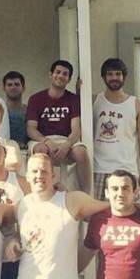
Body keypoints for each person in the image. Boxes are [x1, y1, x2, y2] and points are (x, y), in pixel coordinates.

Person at [26, 59, 91, 193]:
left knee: (81, 152)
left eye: (65, 74)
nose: (60, 76)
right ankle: (41, 192)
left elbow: (76, 129)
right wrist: (47, 141)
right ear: (51, 74)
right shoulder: (36, 99)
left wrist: (67, 145)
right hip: (42, 139)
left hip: (65, 139)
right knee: (40, 150)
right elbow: (31, 129)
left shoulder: (73, 100)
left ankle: (86, 194)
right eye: (58, 72)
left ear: (69, 79)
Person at [93, 57, 140, 198]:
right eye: (110, 74)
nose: (114, 78)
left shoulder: (136, 104)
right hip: (99, 169)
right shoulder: (94, 101)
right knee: (99, 216)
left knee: (129, 217)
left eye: (118, 74)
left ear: (124, 76)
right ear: (103, 77)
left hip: (127, 170)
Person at [2, 71, 28, 150]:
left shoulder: (30, 111)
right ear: (4, 89)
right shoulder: (0, 111)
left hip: (27, 151)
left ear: (23, 88)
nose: (13, 87)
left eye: (17, 84)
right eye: (9, 85)